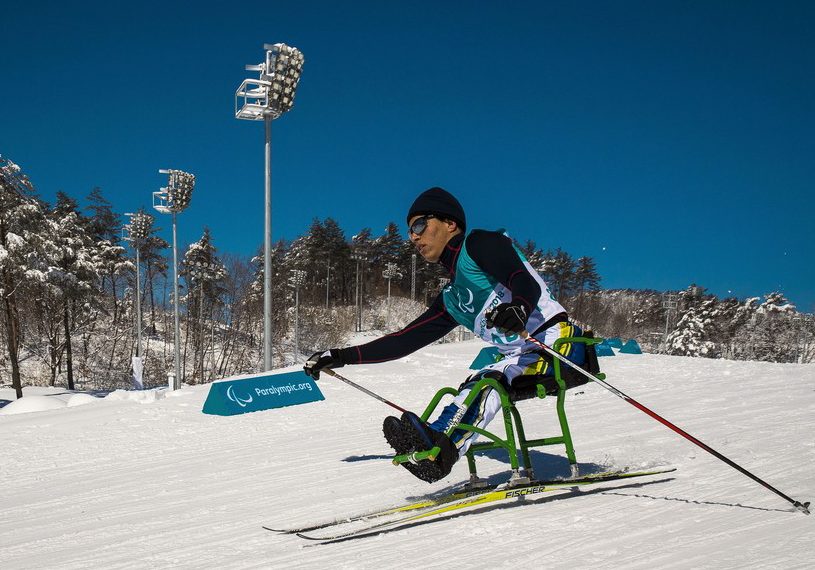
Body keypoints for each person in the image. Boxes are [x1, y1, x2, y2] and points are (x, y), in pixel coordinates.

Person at [304, 186, 586, 483]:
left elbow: (521, 279)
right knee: (475, 386)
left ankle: (440, 452)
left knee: (488, 383)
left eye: (419, 225)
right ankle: (435, 443)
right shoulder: (453, 298)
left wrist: (519, 307)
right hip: (520, 359)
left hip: (558, 345)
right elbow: (405, 340)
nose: (413, 237)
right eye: (410, 230)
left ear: (450, 223)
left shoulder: (479, 244)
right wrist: (340, 356)